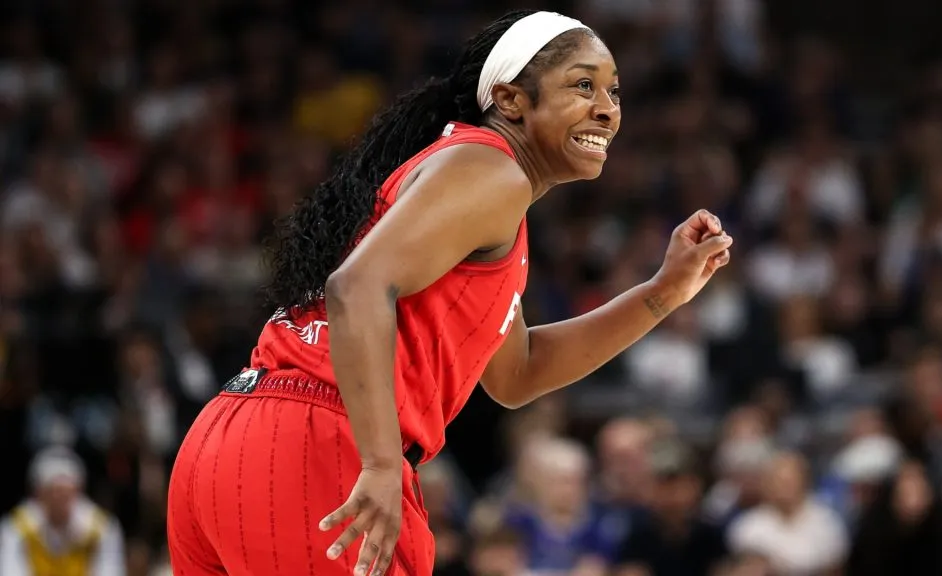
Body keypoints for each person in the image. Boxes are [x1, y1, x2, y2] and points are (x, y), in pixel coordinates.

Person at [166, 9, 733, 576]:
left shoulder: (472, 188)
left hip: (230, 438)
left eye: (613, 91)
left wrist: (662, 294)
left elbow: (519, 373)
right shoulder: (491, 167)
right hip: (315, 445)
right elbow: (357, 288)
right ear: (511, 100)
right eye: (583, 85)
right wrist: (383, 464)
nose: (607, 108)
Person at [0, 446, 126, 576]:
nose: (59, 500)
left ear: (78, 492)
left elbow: (110, 571)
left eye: (66, 493)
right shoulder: (16, 527)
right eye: (53, 492)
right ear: (38, 494)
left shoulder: (102, 528)